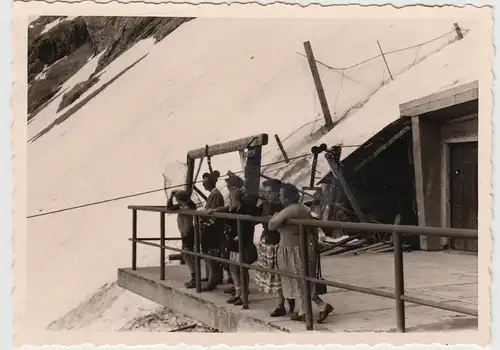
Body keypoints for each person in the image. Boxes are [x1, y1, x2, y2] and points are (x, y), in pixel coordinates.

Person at [268, 183, 334, 324]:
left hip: (296, 251)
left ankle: (322, 306)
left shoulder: (291, 210)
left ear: (287, 197)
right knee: (302, 281)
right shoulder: (303, 207)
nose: (279, 197)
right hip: (301, 248)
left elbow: (271, 225)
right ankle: (304, 311)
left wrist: (275, 216)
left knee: (302, 282)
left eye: (281, 195)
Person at [254, 178, 296, 317]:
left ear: (277, 192)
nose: (267, 195)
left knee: (280, 274)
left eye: (269, 192)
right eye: (265, 192)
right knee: (275, 275)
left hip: (279, 242)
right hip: (268, 240)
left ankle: (283, 302)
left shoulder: (281, 206)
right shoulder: (266, 204)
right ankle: (284, 301)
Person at [220, 188, 258, 305]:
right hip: (235, 243)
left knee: (242, 269)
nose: (230, 201)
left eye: (231, 199)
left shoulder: (245, 210)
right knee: (233, 267)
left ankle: (244, 294)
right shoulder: (236, 209)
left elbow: (244, 226)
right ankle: (238, 292)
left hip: (242, 243)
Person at [166, 190, 199, 289]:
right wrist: (171, 197)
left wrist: (178, 199)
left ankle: (195, 277)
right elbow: (169, 208)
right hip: (185, 233)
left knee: (188, 255)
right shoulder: (182, 206)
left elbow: (191, 206)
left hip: (188, 233)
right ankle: (194, 276)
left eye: (178, 200)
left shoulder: (190, 206)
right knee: (187, 255)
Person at [199, 171, 225, 291]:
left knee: (211, 253)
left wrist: (203, 215)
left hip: (212, 229)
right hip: (212, 228)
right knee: (210, 253)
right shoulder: (213, 194)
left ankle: (212, 280)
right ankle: (212, 277)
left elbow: (213, 213)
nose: (203, 186)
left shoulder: (215, 195)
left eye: (205, 183)